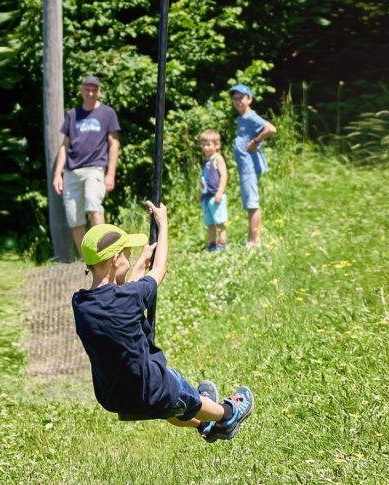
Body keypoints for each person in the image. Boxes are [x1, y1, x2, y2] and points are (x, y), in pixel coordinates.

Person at [71, 200, 254, 442]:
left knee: (168, 408)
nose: (129, 257)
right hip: (152, 388)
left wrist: (136, 269)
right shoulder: (128, 296)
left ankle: (204, 425)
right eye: (126, 254)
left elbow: (116, 302)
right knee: (178, 391)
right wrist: (163, 224)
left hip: (114, 397)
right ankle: (227, 415)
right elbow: (160, 270)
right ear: (115, 260)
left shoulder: (81, 304)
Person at [53, 76, 121, 259]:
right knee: (74, 218)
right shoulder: (72, 114)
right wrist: (58, 173)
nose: (90, 93)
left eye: (94, 90)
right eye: (87, 89)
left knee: (94, 205)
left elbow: (114, 144)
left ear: (98, 91)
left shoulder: (107, 113)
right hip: (71, 171)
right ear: (81, 90)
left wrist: (111, 174)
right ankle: (87, 260)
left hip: (95, 169)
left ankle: (104, 254)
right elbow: (64, 145)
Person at [228, 84, 278, 248]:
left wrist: (256, 141)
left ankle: (254, 241)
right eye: (234, 98)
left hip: (250, 166)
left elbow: (271, 128)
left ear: (249, 99)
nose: (237, 101)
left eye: (241, 98)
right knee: (249, 202)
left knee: (252, 203)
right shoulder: (241, 117)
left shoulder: (250, 116)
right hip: (245, 167)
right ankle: (253, 239)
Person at [196, 129, 229, 251]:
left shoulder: (218, 158)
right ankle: (212, 243)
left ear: (217, 145)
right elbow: (205, 179)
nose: (206, 148)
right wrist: (201, 194)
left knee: (219, 220)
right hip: (207, 196)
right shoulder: (206, 160)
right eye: (203, 145)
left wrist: (220, 191)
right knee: (209, 222)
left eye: (208, 145)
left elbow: (224, 175)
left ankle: (222, 242)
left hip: (216, 196)